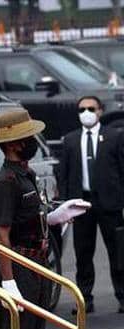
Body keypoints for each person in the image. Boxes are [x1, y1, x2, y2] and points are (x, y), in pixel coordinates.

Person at [0, 109, 89, 329]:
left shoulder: (25, 174)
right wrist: (8, 282)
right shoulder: (7, 182)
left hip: (37, 265)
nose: (33, 141)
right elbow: (1, 233)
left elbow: (29, 216)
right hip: (19, 267)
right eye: (28, 137)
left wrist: (56, 216)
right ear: (13, 144)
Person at [58, 96, 124, 314]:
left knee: (117, 251)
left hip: (109, 202)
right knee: (83, 253)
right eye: (82, 109)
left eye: (91, 108)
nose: (86, 113)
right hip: (81, 202)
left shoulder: (114, 137)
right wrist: (66, 205)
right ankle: (85, 298)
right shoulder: (70, 140)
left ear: (100, 111)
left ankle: (122, 296)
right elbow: (64, 174)